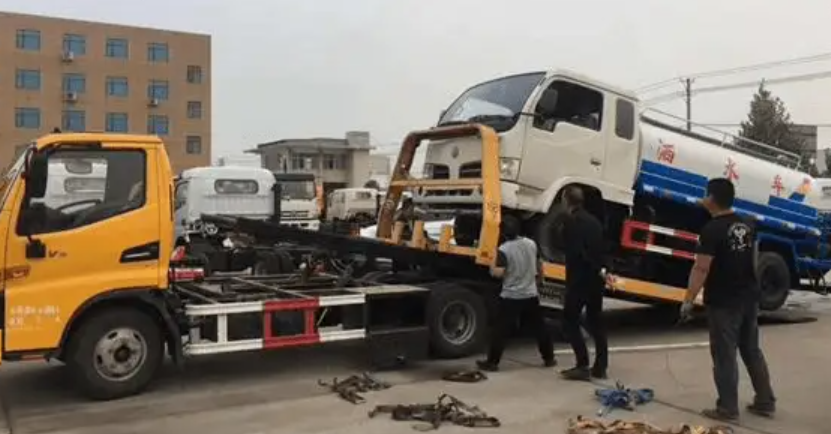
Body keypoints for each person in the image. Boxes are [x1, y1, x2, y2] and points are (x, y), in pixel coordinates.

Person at [681, 178, 776, 421]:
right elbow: (752, 261)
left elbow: (701, 268)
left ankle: (727, 408)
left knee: (724, 355)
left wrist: (689, 299)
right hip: (749, 297)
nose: (703, 199)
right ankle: (765, 401)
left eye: (705, 195)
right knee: (751, 349)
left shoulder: (712, 230)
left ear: (712, 199)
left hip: (724, 301)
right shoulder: (746, 225)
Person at [477, 216, 555, 371]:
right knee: (540, 328)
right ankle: (549, 358)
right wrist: (540, 280)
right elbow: (539, 265)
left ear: (502, 233)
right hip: (530, 294)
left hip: (511, 296)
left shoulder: (504, 249)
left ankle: (492, 362)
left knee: (500, 330)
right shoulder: (531, 243)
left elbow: (498, 273)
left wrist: (492, 262)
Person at [559, 186, 609, 381]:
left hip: (579, 279)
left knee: (569, 321)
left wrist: (571, 282)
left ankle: (582, 364)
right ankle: (601, 367)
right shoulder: (594, 222)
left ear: (566, 201)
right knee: (596, 322)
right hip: (596, 278)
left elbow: (575, 253)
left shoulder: (571, 222)